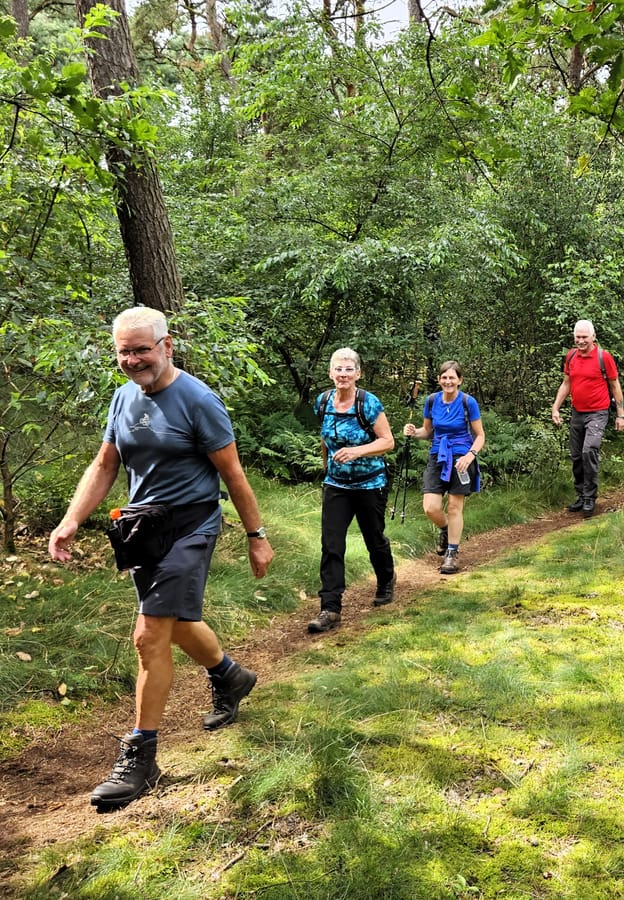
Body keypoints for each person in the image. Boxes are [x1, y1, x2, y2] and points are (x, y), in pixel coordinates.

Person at [48, 306, 274, 810]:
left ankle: (141, 755)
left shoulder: (198, 401)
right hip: (142, 531)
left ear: (166, 346)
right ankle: (231, 676)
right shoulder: (124, 397)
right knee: (172, 622)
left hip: (191, 527)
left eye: (141, 349)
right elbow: (106, 463)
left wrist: (256, 535)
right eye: (123, 352)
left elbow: (234, 476)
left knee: (149, 633)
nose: (131, 360)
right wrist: (70, 521)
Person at [308, 348, 397, 633]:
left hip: (370, 483)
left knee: (374, 538)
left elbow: (387, 442)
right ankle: (330, 608)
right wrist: (327, 468)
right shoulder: (323, 402)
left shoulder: (368, 403)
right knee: (331, 544)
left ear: (358, 374)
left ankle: (386, 579)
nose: (343, 374)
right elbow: (324, 437)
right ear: (330, 373)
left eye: (349, 369)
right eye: (338, 369)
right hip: (336, 485)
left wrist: (357, 452)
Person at [403, 360, 485, 574]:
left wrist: (470, 455)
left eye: (452, 378)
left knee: (454, 507)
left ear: (460, 380)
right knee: (430, 507)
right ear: (439, 380)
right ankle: (446, 530)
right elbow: (427, 432)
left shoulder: (468, 402)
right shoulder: (431, 401)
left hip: (462, 457)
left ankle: (451, 553)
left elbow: (480, 435)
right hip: (438, 455)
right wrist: (414, 432)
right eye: (444, 377)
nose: (448, 381)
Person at [550, 319, 624, 516]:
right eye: (577, 337)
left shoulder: (604, 357)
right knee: (576, 455)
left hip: (598, 412)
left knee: (589, 450)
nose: (581, 341)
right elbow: (566, 383)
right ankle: (581, 494)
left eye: (584, 337)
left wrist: (620, 415)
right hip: (577, 412)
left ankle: (590, 498)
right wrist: (556, 407)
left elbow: (615, 385)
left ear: (593, 337)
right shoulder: (571, 356)